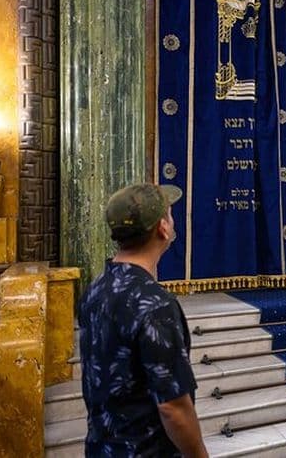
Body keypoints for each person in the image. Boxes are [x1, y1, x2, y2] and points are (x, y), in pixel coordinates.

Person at [78, 183, 208, 457]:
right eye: (170, 214)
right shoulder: (155, 305)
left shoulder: (97, 287)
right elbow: (173, 407)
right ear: (163, 227)